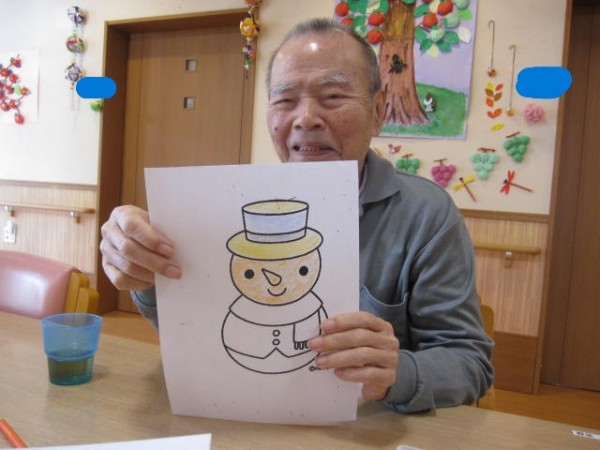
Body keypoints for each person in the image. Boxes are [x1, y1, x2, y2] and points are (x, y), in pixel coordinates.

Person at [100, 18, 493, 413]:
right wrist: (145, 271)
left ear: (377, 112)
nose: (306, 118)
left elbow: (469, 362)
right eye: (285, 100)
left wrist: (397, 372)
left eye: (333, 96)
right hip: (247, 414)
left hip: (371, 429)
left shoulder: (426, 215)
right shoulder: (226, 209)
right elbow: (200, 334)